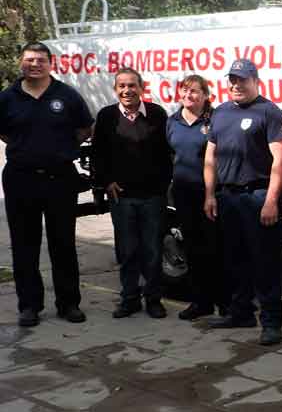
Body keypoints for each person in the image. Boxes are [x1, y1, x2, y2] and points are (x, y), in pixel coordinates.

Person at [0, 42, 93, 327]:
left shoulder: (66, 95)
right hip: (20, 178)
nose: (35, 64)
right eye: (29, 60)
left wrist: (60, 151)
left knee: (63, 243)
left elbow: (84, 128)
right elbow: (3, 132)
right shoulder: (7, 97)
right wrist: (26, 148)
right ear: (21, 63)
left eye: (40, 60)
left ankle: (69, 304)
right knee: (24, 245)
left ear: (50, 64)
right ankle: (29, 306)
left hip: (60, 179)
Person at [203, 59, 282, 346]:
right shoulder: (221, 112)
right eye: (232, 80)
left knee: (264, 262)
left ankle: (272, 322)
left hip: (257, 195)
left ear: (256, 81)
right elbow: (210, 157)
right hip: (227, 197)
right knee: (235, 260)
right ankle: (240, 313)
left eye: (242, 80)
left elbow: (281, 160)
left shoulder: (270, 113)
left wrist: (271, 201)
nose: (236, 85)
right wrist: (209, 194)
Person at [93, 67, 172, 319]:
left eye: (132, 85)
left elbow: (168, 153)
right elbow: (99, 154)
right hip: (122, 198)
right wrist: (107, 182)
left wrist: (162, 185)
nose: (127, 90)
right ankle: (129, 299)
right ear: (116, 89)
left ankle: (153, 299)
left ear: (141, 88)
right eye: (122, 86)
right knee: (127, 251)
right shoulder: (106, 116)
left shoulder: (157, 114)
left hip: (153, 197)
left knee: (152, 250)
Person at [166, 75, 227, 320]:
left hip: (212, 194)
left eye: (194, 91)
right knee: (192, 248)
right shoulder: (173, 121)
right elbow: (168, 154)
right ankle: (200, 302)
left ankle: (225, 302)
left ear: (205, 95)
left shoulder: (214, 120)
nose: (189, 95)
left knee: (217, 248)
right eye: (185, 91)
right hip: (183, 193)